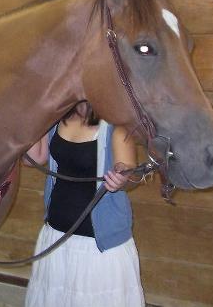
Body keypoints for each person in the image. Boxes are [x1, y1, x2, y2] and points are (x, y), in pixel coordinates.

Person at [23, 103, 145, 307]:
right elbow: (33, 158)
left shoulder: (116, 125)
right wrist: (33, 112)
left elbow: (128, 169)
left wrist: (122, 176)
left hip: (98, 246)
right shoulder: (55, 119)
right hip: (57, 236)